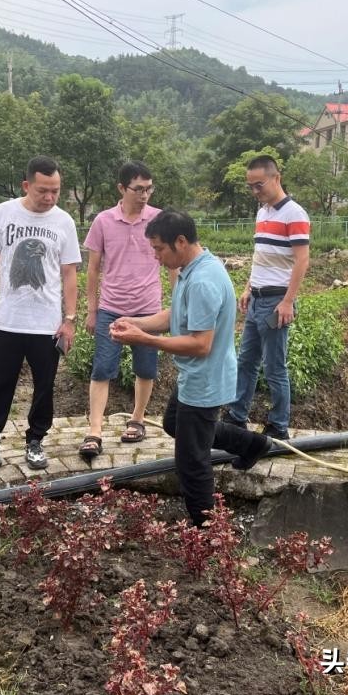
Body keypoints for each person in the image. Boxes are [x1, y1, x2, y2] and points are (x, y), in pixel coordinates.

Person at [110, 210, 273, 526]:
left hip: (205, 379)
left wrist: (144, 339)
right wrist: (136, 322)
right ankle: (253, 444)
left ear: (180, 241)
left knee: (191, 461)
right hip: (198, 375)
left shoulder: (203, 280)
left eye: (159, 248)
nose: (156, 256)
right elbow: (175, 314)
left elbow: (200, 344)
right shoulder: (193, 268)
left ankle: (208, 531)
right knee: (174, 423)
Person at [0, 156, 81, 477]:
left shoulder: (64, 221)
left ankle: (35, 441)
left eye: (55, 191)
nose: (50, 197)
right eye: (43, 190)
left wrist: (70, 319)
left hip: (47, 326)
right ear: (26, 185)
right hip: (6, 320)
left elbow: (69, 274)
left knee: (45, 387)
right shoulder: (3, 213)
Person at [79, 161, 176, 460]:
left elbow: (172, 264)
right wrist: (92, 310)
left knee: (145, 369)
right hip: (111, 308)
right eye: (139, 189)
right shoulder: (104, 221)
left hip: (148, 309)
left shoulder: (159, 219)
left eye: (149, 188)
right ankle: (94, 430)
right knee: (102, 369)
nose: (145, 194)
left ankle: (137, 419)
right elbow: (93, 269)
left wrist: (176, 305)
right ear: (122, 188)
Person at [222, 154, 310, 440]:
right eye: (251, 186)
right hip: (258, 297)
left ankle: (278, 424)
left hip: (276, 301)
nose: (255, 192)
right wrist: (248, 287)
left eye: (259, 185)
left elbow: (302, 260)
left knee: (275, 366)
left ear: (276, 178)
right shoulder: (263, 213)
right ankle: (237, 415)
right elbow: (261, 257)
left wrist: (287, 301)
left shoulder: (294, 214)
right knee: (246, 360)